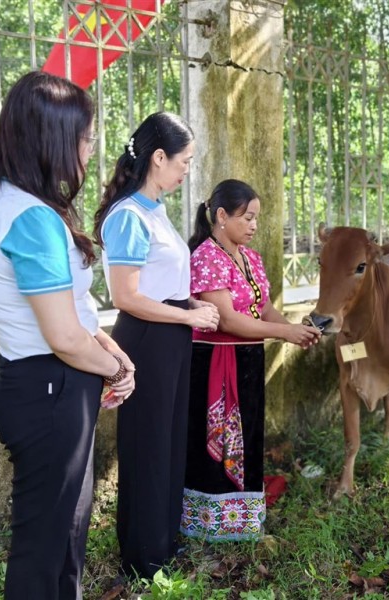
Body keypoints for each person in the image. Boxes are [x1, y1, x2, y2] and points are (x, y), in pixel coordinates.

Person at [0, 71, 135, 600]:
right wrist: (116, 370)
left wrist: (110, 350)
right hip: (49, 391)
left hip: (52, 388)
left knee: (64, 540)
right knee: (43, 552)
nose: (90, 147)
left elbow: (73, 313)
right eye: (85, 136)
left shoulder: (22, 205)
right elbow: (62, 335)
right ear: (53, 139)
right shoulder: (30, 217)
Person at [93, 112, 220, 578]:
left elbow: (160, 279)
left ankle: (164, 543)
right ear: (159, 157)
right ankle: (142, 558)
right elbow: (126, 296)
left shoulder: (156, 209)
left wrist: (188, 305)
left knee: (169, 440)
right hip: (146, 337)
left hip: (171, 333)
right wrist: (186, 313)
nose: (188, 169)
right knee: (147, 444)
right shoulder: (127, 215)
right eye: (184, 160)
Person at [181, 179, 321, 542]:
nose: (254, 226)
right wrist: (284, 334)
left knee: (247, 434)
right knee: (220, 439)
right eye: (247, 218)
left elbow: (265, 308)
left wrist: (294, 329)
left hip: (248, 358)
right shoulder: (207, 256)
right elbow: (226, 319)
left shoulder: (251, 258)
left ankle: (242, 519)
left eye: (257, 218)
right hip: (215, 361)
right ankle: (210, 523)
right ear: (221, 216)